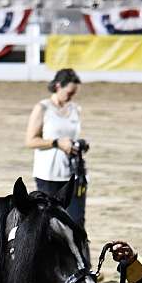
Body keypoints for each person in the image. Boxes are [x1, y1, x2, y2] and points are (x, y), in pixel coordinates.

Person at [25, 68, 86, 226]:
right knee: (50, 223)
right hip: (48, 175)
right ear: (58, 86)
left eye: (74, 93)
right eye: (69, 92)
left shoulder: (75, 110)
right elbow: (30, 140)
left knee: (76, 222)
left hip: (73, 174)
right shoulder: (43, 108)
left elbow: (72, 136)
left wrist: (79, 145)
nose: (71, 97)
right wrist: (56, 143)